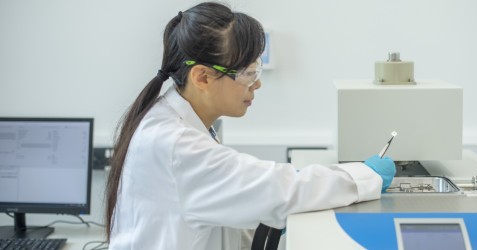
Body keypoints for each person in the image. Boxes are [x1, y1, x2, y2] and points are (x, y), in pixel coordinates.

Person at [105, 2, 396, 250]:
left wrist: (264, 222)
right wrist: (363, 175)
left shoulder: (171, 117)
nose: (257, 83)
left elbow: (217, 208)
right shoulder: (175, 145)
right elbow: (280, 189)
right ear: (202, 77)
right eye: (247, 72)